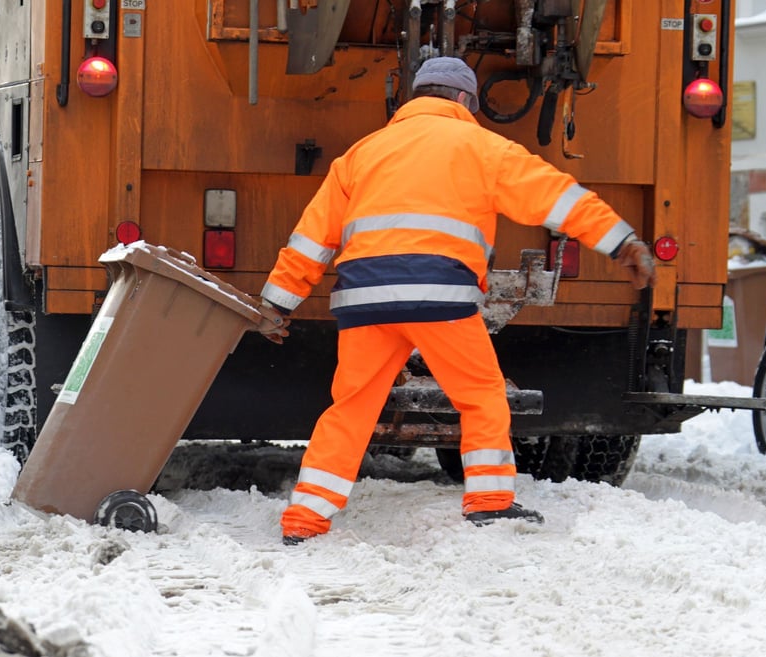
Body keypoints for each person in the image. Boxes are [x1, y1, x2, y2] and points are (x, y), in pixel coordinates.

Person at [256, 56, 656, 545]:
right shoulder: (483, 147)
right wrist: (622, 241)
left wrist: (278, 305)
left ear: (416, 96)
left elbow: (311, 239)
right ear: (465, 100)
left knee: (351, 409)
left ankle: (304, 519)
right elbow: (560, 198)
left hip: (364, 303)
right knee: (481, 396)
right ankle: (489, 502)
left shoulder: (361, 154)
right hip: (440, 299)